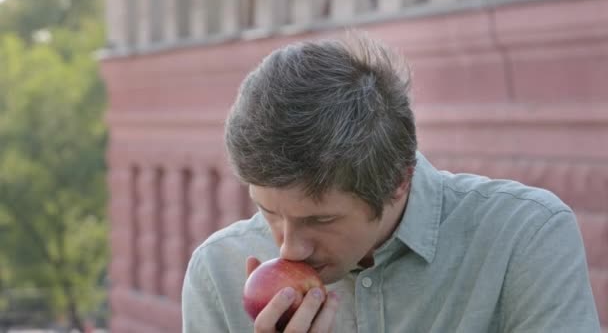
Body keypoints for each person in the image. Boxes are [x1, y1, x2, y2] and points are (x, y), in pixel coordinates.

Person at [181, 33, 601, 332]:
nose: (288, 247)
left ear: (398, 181)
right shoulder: (218, 272)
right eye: (268, 211)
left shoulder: (523, 239)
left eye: (321, 220)